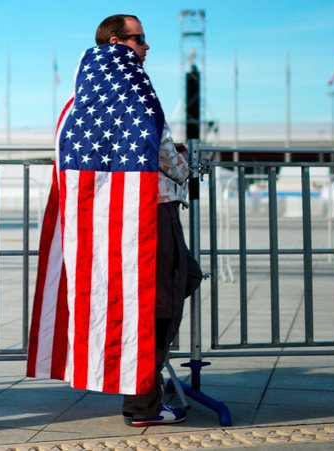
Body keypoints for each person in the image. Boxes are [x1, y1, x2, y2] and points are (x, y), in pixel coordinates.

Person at [95, 14, 195, 427]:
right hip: (153, 209)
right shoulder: (133, 86)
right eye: (139, 39)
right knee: (161, 300)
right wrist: (185, 167)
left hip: (123, 211)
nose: (146, 46)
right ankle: (143, 402)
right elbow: (158, 147)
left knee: (161, 291)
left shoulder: (93, 89)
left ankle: (141, 388)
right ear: (117, 42)